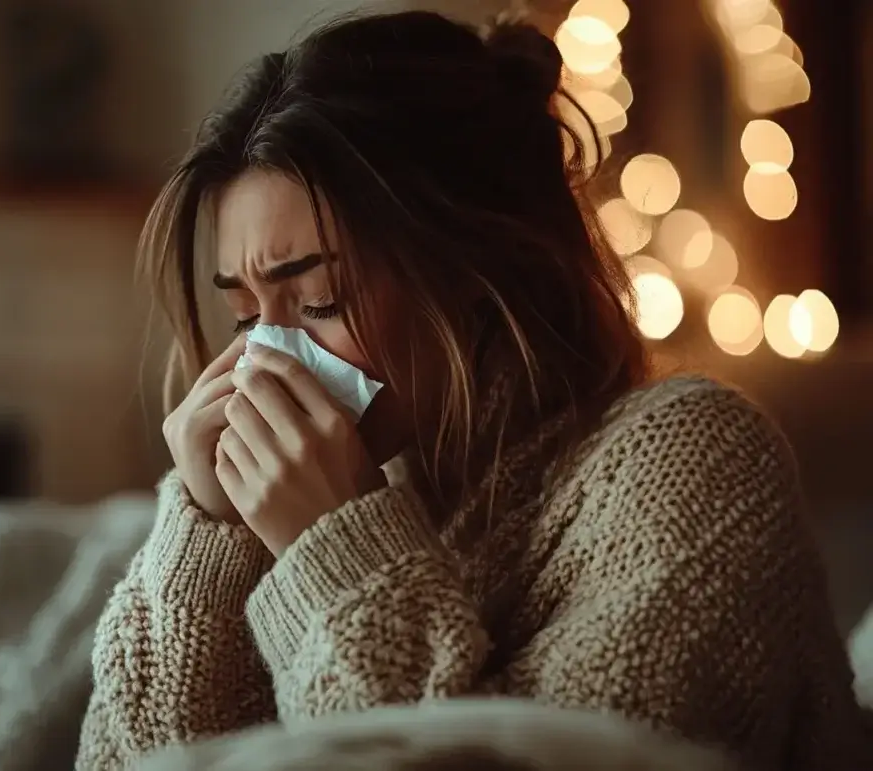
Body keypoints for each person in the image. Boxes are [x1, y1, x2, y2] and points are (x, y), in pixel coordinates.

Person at [76, 10, 872, 770]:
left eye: (318, 302)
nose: (265, 362)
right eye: (246, 315)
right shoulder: (383, 470)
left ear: (480, 270)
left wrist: (335, 546)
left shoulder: (694, 460)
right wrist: (204, 540)